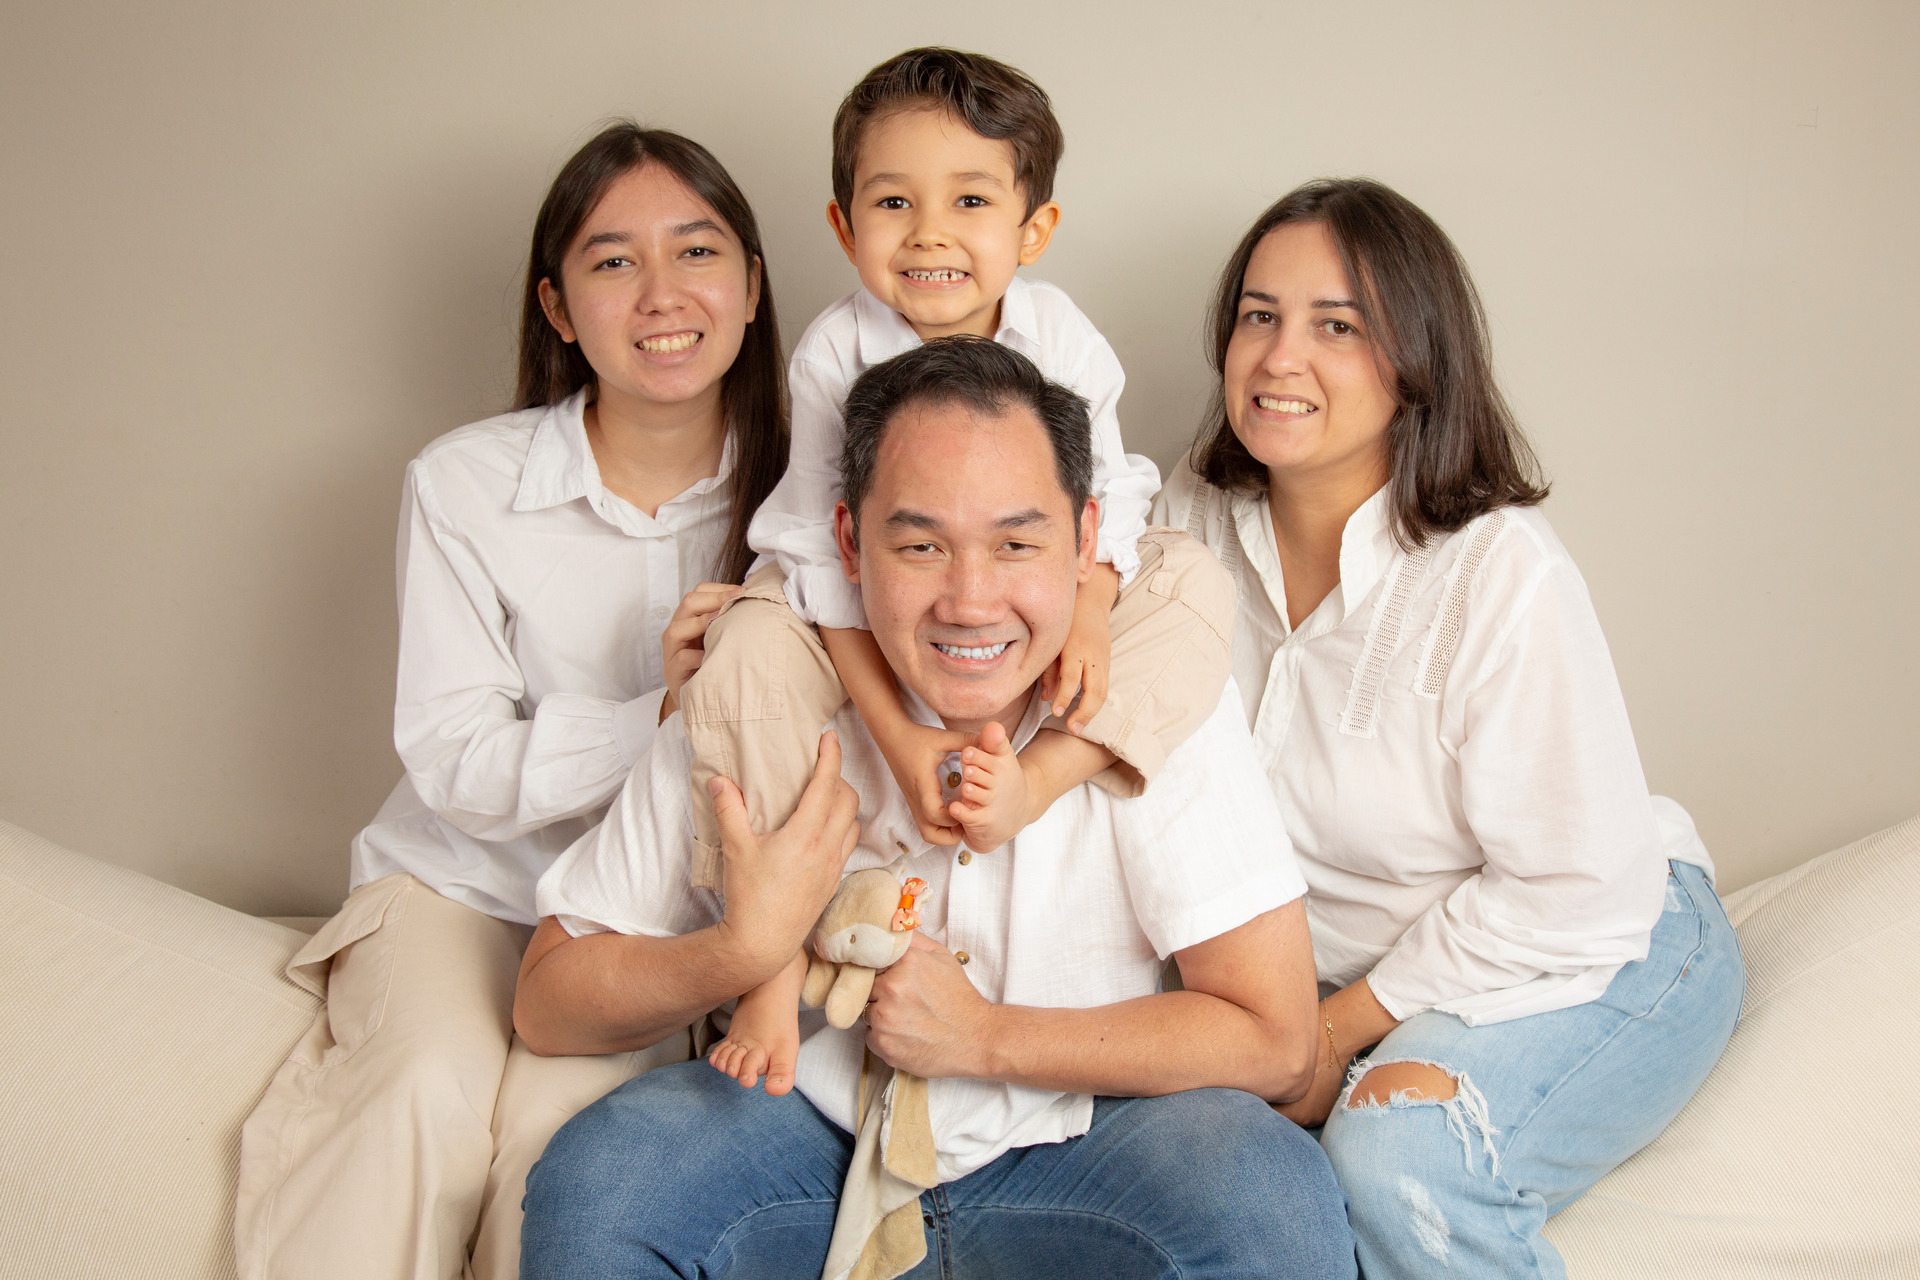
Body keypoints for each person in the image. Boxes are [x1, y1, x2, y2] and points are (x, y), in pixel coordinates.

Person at [515, 337, 1355, 1280]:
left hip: (1088, 1140)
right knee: (603, 1184)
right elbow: (549, 1003)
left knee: (1271, 1196)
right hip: (804, 1133)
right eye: (920, 546)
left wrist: (987, 1039)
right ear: (846, 544)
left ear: (1086, 541)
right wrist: (744, 948)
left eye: (1017, 544)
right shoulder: (763, 684)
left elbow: (1278, 1040)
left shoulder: (1151, 691)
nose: (970, 601)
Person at [1154, 178, 1745, 1280]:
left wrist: (1330, 1037)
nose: (1280, 357)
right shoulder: (1188, 515)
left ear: (1416, 360)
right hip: (1340, 972)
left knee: (1398, 1161)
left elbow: (1576, 890)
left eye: (1338, 326)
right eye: (1258, 315)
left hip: (1602, 936)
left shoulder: (1501, 573)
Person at [234, 123, 788, 1280]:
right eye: (612, 260)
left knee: (560, 1151)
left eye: (696, 251)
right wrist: (659, 715)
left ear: (749, 285)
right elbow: (453, 756)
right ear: (557, 305)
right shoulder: (462, 482)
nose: (661, 293)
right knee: (414, 1096)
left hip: (640, 915)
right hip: (465, 885)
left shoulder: (806, 498)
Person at [681, 47, 1235, 1096]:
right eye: (894, 202)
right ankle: (767, 956)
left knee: (1195, 578)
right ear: (843, 225)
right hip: (852, 600)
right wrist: (900, 741)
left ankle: (1041, 779)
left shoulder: (1061, 336)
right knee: (743, 647)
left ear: (1034, 229)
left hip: (1046, 582)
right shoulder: (835, 352)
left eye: (970, 201)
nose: (929, 232)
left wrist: (1093, 607)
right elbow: (820, 553)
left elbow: (1109, 498)